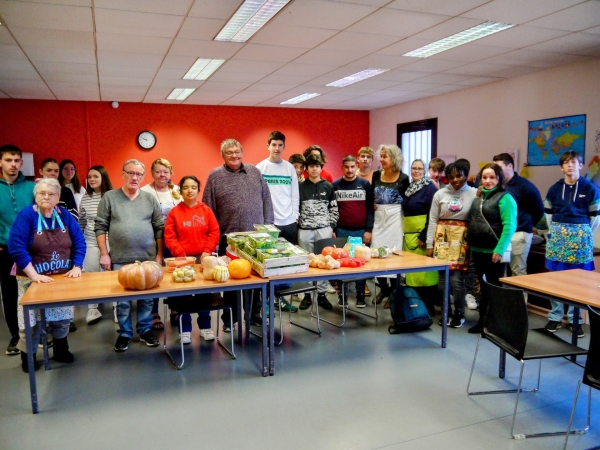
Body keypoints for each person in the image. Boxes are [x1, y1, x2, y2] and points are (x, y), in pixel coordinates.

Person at [9, 178, 85, 372]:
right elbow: (16, 247)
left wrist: (77, 266)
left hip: (61, 278)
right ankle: (29, 356)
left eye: (51, 194)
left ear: (58, 197)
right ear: (35, 196)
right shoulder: (27, 216)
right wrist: (34, 275)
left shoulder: (65, 215)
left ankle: (61, 349)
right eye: (42, 193)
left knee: (61, 317)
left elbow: (79, 242)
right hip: (31, 279)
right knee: (30, 321)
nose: (46, 197)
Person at [203, 139, 274, 330]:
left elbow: (267, 200)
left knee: (256, 280)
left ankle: (254, 315)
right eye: (229, 152)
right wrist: (212, 239)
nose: (234, 155)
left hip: (257, 239)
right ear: (223, 156)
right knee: (232, 281)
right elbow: (208, 209)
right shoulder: (215, 176)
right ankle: (229, 319)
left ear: (242, 152)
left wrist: (268, 227)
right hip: (230, 239)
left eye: (237, 151)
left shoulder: (254, 172)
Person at [95, 159, 163, 352]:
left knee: (147, 299)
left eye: (139, 174)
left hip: (147, 259)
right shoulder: (109, 197)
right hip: (120, 259)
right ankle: (125, 333)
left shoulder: (149, 199)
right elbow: (100, 226)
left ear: (143, 177)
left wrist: (159, 255)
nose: (134, 177)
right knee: (123, 302)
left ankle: (144, 329)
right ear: (123, 173)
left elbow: (159, 227)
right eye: (130, 173)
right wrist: (104, 253)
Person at [544, 151, 600, 337]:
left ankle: (575, 320)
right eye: (566, 163)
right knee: (555, 279)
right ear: (561, 167)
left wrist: (581, 232)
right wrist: (557, 232)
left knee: (579, 281)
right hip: (558, 237)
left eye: (574, 162)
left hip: (581, 236)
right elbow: (548, 215)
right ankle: (555, 317)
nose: (570, 166)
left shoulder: (591, 188)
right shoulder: (553, 189)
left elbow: (595, 218)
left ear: (580, 165)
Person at [165, 175, 220, 344]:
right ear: (180, 190)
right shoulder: (174, 212)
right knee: (184, 297)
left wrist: (206, 252)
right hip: (182, 260)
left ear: (198, 189)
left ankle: (205, 327)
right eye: (186, 187)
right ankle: (185, 330)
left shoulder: (206, 210)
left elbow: (214, 232)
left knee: (204, 295)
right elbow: (169, 236)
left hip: (203, 259)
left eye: (194, 187)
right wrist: (181, 255)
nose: (190, 190)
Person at [467, 163, 517, 334]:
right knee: (482, 288)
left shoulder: (505, 198)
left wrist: (499, 250)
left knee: (494, 289)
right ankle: (483, 321)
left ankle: (495, 324)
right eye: (485, 177)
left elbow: (509, 226)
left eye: (492, 177)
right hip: (478, 250)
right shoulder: (480, 196)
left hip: (494, 252)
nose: (488, 181)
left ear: (499, 179)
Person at [426, 160, 477, 328]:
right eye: (451, 176)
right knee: (442, 280)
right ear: (446, 177)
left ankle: (459, 313)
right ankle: (445, 312)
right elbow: (432, 220)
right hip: (441, 239)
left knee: (457, 281)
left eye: (459, 176)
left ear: (465, 176)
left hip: (462, 240)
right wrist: (429, 244)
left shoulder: (474, 193)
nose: (456, 180)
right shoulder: (439, 194)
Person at [257, 131, 300, 313]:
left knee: (286, 263)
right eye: (273, 144)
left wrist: (295, 216)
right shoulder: (260, 168)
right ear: (268, 146)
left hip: (288, 222)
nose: (277, 148)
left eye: (280, 145)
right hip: (268, 224)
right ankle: (265, 302)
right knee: (268, 264)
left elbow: (294, 194)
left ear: (284, 147)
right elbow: (257, 196)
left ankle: (281, 300)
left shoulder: (289, 168)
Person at [0, 144, 35, 356]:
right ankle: (16, 336)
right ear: (1, 162)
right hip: (5, 251)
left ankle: (39, 332)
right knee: (10, 294)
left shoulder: (31, 188)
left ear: (21, 163)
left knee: (35, 291)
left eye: (16, 160)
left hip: (31, 251)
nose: (13, 165)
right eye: (8, 160)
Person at [141, 158, 182, 330]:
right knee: (154, 276)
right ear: (152, 173)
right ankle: (153, 312)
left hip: (175, 240)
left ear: (170, 172)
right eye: (158, 171)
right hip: (152, 240)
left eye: (165, 171)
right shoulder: (144, 191)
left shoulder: (177, 191)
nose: (162, 175)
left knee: (175, 275)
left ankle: (175, 308)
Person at [297, 154, 339, 311]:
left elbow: (334, 208)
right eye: (311, 166)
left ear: (321, 168)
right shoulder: (300, 187)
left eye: (317, 166)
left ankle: (322, 295)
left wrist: (331, 227)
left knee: (324, 261)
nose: (314, 168)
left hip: (324, 230)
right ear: (306, 169)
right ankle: (306, 295)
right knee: (306, 262)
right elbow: (296, 209)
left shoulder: (328, 186)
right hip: (304, 230)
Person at [492, 153, 544, 279]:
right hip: (502, 234)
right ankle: (503, 299)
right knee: (501, 271)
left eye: (499, 167)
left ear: (510, 166)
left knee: (518, 271)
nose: (496, 171)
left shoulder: (525, 186)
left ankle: (520, 299)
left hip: (519, 234)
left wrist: (527, 224)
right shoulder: (498, 185)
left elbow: (539, 210)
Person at [332, 155, 374, 308]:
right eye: (346, 167)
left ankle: (360, 295)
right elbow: (333, 209)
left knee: (360, 264)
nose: (349, 170)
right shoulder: (335, 185)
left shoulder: (364, 184)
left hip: (361, 231)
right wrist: (333, 230)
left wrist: (368, 230)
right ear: (342, 167)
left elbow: (370, 208)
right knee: (342, 264)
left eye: (352, 167)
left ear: (356, 166)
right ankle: (342, 295)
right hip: (341, 230)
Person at [371, 144, 409, 307]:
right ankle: (383, 289)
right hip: (379, 218)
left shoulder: (403, 178)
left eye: (385, 156)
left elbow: (407, 199)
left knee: (394, 252)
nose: (382, 159)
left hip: (395, 218)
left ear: (394, 159)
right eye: (381, 156)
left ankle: (394, 291)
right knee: (377, 250)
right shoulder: (376, 174)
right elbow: (373, 195)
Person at [402, 158, 439, 314]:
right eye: (414, 168)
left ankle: (427, 308)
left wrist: (424, 236)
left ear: (424, 171)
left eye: (419, 168)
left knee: (425, 274)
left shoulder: (430, 189)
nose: (416, 171)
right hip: (409, 236)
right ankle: (415, 308)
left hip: (422, 236)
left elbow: (433, 214)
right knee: (413, 273)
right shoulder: (410, 188)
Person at [79, 165, 114, 324]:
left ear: (103, 178)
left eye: (95, 176)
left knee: (112, 274)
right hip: (90, 240)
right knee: (90, 274)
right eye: (89, 177)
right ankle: (92, 309)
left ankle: (116, 307)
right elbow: (82, 220)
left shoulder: (112, 196)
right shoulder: (86, 197)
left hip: (110, 240)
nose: (91, 179)